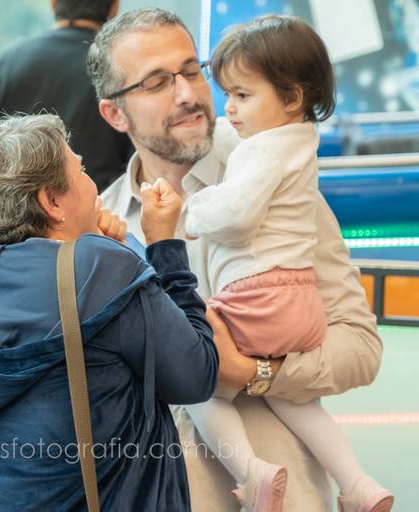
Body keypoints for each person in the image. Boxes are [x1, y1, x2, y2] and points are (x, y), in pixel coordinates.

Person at [87, 8, 383, 512]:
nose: (187, 93)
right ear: (115, 113)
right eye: (157, 82)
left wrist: (254, 372)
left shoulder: (272, 172)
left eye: (191, 70)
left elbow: (360, 346)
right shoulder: (102, 222)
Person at [0, 114, 219, 511]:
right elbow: (196, 374)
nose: (90, 182)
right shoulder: (103, 269)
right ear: (52, 201)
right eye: (80, 170)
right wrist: (163, 246)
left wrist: (104, 249)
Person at [180, 15, 393, 512]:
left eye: (242, 95)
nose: (228, 108)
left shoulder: (263, 152)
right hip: (298, 304)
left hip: (258, 298)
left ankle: (251, 472)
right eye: (226, 94)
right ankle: (356, 483)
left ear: (293, 97)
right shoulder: (299, 142)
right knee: (293, 397)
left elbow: (237, 215)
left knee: (198, 382)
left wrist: (193, 212)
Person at [0, 0, 133, 192]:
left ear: (52, 4)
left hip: (5, 209)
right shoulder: (123, 73)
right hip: (101, 207)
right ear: (115, 7)